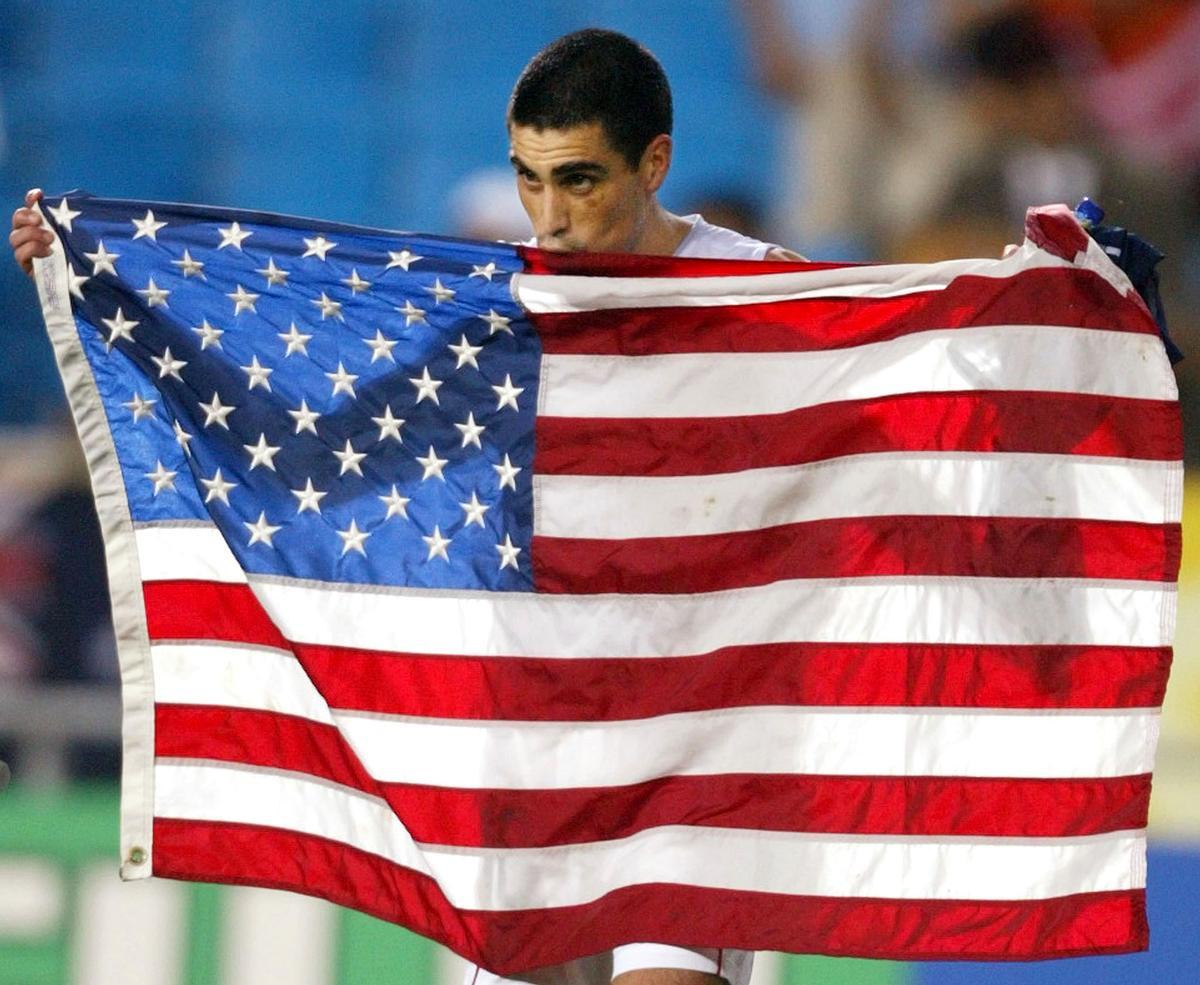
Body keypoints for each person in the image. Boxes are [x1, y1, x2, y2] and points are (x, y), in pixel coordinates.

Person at [9, 27, 802, 985]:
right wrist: (100, 275)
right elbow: (312, 382)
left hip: (692, 737)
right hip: (531, 734)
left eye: (580, 181)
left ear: (655, 163)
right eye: (529, 178)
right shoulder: (496, 304)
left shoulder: (772, 296)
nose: (549, 217)